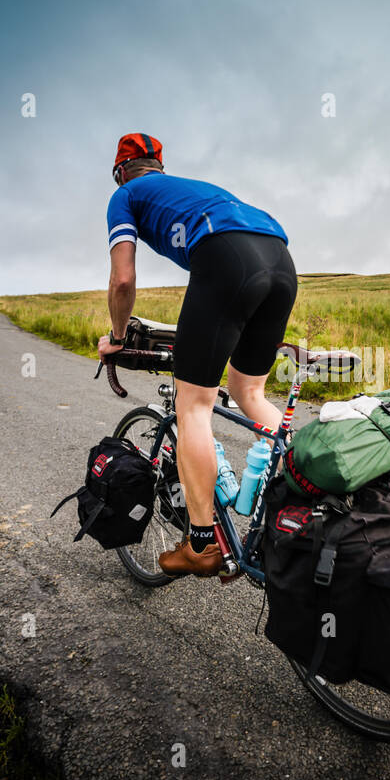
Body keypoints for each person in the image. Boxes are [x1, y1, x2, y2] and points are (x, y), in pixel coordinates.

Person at [98, 133, 297, 577]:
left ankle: (203, 544)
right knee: (248, 392)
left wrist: (116, 335)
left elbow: (123, 281)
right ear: (160, 166)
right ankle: (301, 490)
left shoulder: (125, 196)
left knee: (194, 407)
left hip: (225, 256)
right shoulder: (191, 187)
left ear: (119, 172)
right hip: (281, 258)